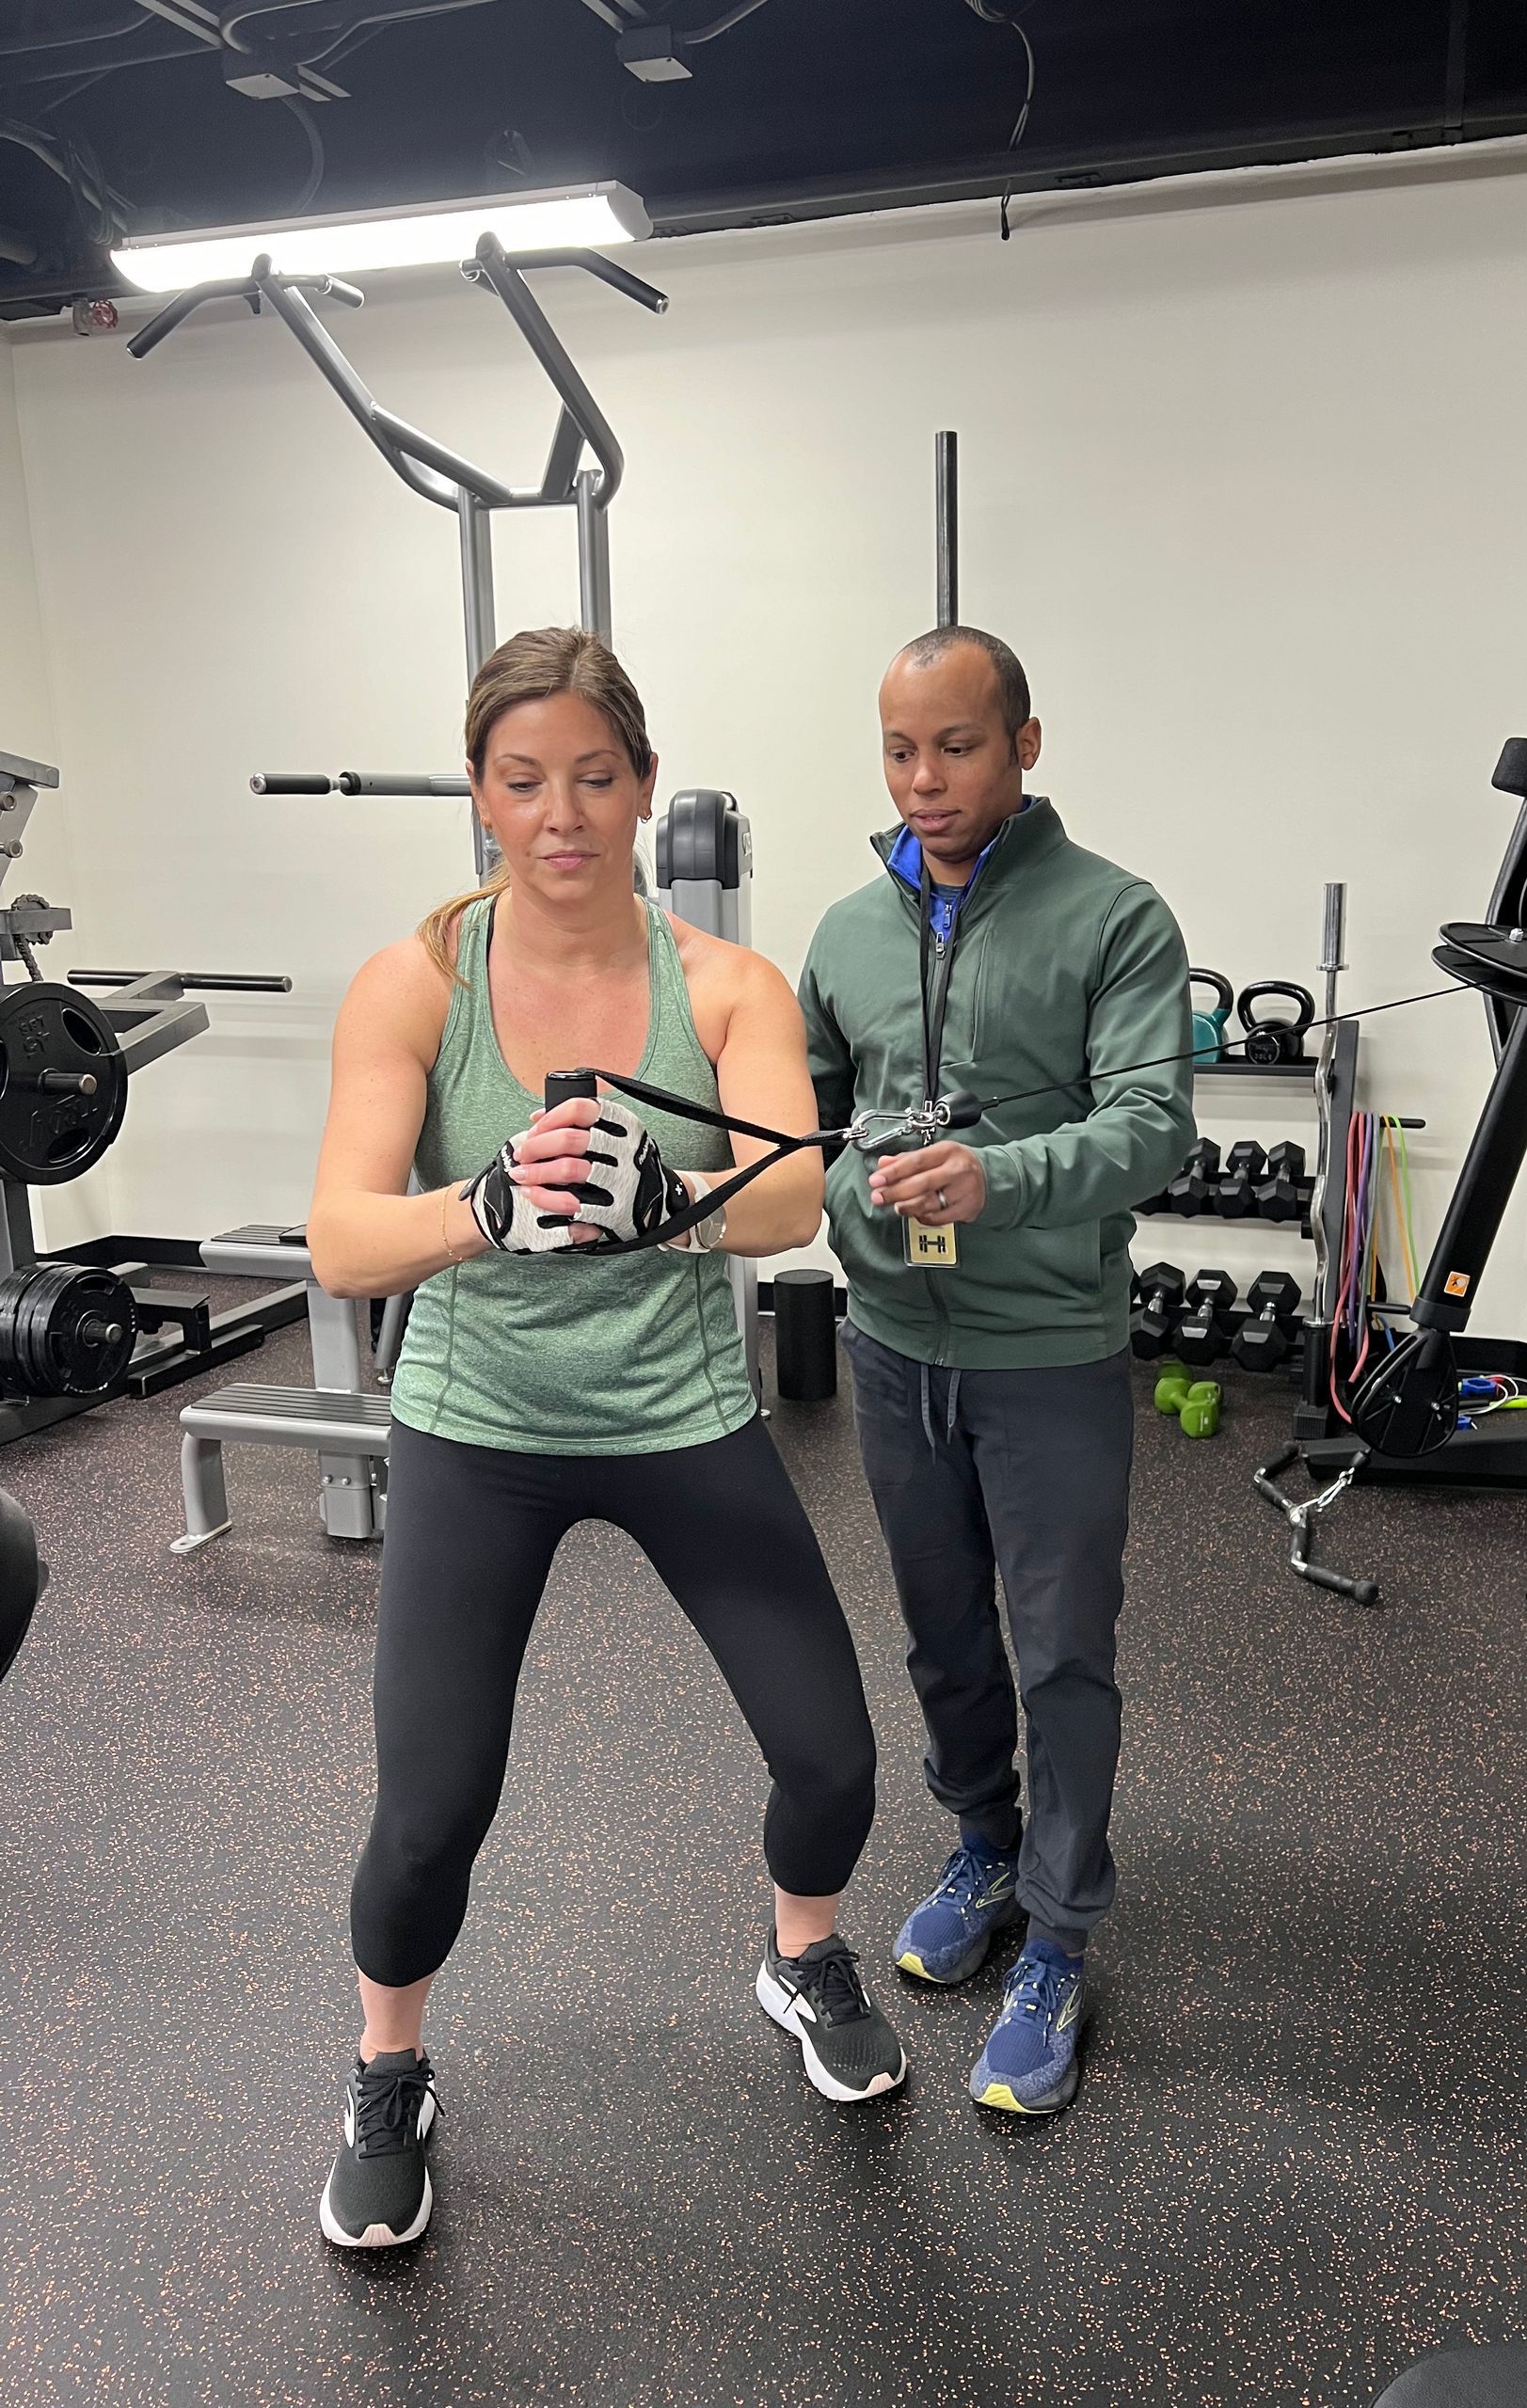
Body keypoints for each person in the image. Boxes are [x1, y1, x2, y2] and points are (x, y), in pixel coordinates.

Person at [308, 626, 906, 2252]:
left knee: (834, 1757)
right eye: (522, 781)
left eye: (592, 776)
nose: (559, 812)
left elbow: (794, 1191)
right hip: (476, 1428)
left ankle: (800, 1957)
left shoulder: (722, 981)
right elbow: (343, 1243)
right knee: (432, 1807)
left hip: (674, 1418)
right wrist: (481, 1204)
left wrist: (684, 1198)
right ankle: (388, 2069)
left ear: (642, 788)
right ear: (484, 797)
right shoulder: (417, 981)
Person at [799, 626, 1194, 2117]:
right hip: (895, 1354)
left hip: (1050, 1357)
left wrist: (1001, 1178)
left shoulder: (1116, 918)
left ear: (1026, 745)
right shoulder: (842, 934)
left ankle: (1061, 1933)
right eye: (900, 750)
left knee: (1061, 1652)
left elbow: (1155, 1125)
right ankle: (981, 1845)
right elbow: (809, 1133)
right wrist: (859, 1207)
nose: (925, 780)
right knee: (943, 1638)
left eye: (956, 746)